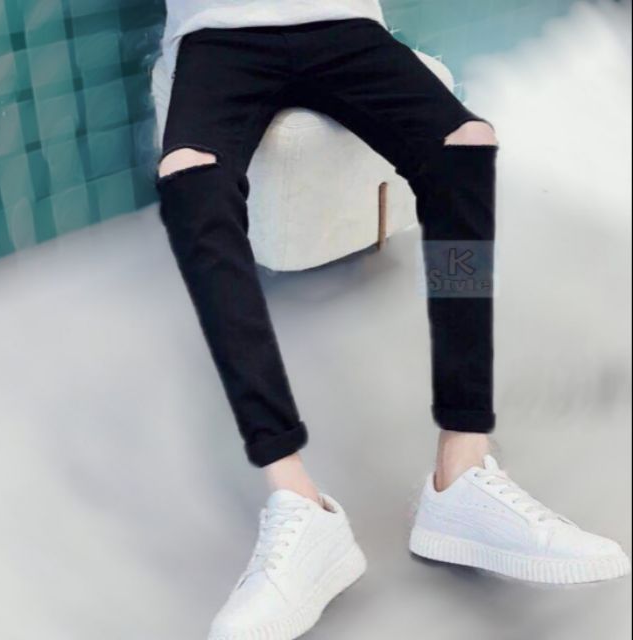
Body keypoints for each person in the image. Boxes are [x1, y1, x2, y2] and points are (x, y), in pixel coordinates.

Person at [156, 2, 631, 638]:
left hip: (342, 25)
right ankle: (296, 499)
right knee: (192, 181)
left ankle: (462, 471)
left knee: (465, 144)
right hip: (219, 34)